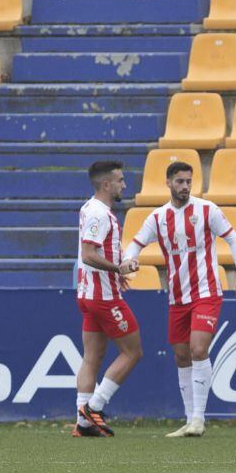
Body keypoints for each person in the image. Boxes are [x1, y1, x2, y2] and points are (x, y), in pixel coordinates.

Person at [124, 161, 236, 438]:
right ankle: (189, 419)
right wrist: (129, 260)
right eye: (179, 181)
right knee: (181, 355)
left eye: (188, 182)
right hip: (177, 296)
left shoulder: (207, 210)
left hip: (206, 292)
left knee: (197, 349)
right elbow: (135, 243)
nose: (184, 186)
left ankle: (198, 419)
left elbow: (234, 240)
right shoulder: (157, 218)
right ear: (168, 183)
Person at [73, 160, 142, 438]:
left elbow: (92, 254)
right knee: (133, 351)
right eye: (120, 180)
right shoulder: (99, 214)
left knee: (92, 357)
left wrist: (117, 271)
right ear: (106, 184)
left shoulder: (90, 208)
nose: (124, 185)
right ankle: (94, 407)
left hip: (89, 293)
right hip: (104, 297)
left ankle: (83, 423)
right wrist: (118, 269)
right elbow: (89, 254)